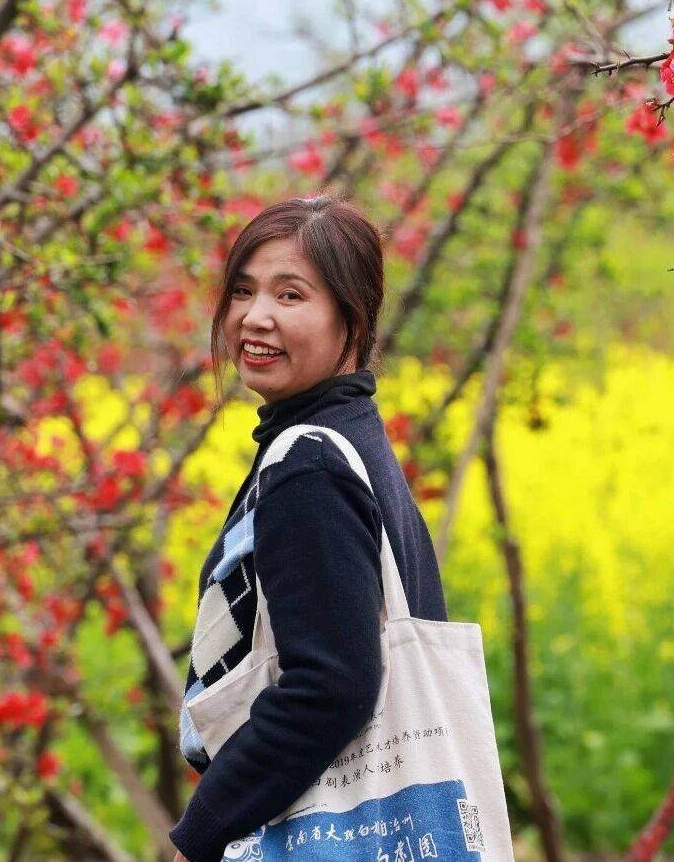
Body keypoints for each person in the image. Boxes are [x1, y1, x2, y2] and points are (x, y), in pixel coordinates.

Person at [168, 195, 447, 862]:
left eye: (290, 294)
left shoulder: (310, 463)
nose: (253, 316)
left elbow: (332, 684)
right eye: (242, 290)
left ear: (352, 316)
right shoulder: (352, 437)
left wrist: (199, 833)